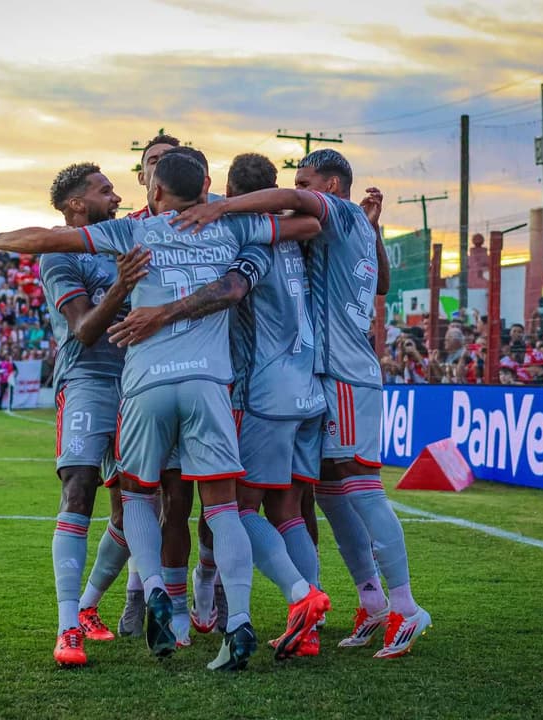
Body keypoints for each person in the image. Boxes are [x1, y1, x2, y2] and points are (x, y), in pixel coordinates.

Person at [0, 151, 324, 671]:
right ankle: (238, 619)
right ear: (205, 186)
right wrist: (231, 211)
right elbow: (307, 222)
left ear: (155, 193)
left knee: (137, 495)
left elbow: (47, 237)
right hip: (209, 385)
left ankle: (154, 590)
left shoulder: (136, 233)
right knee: (222, 507)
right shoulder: (232, 230)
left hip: (145, 384)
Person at [167, 148, 431, 658]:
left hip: (335, 376)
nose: (299, 190)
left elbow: (285, 204)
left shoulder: (319, 215)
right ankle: (372, 599)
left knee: (357, 490)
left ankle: (404, 605)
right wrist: (373, 230)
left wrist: (217, 208)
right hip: (318, 380)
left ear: (330, 186)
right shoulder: (324, 230)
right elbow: (382, 283)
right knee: (331, 496)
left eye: (308, 182)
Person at [111, 153, 329, 659]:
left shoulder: (238, 237)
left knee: (215, 506)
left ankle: (283, 595)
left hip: (250, 392)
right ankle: (244, 613)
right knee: (286, 506)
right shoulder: (289, 234)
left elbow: (231, 289)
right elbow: (310, 219)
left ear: (227, 192)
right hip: (307, 386)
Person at [38, 162, 150, 667]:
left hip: (138, 383)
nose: (117, 197)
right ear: (77, 204)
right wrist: (122, 287)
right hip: (87, 380)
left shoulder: (119, 241)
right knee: (79, 486)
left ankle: (86, 607)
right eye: (106, 191)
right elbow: (83, 328)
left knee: (135, 505)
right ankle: (67, 628)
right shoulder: (59, 252)